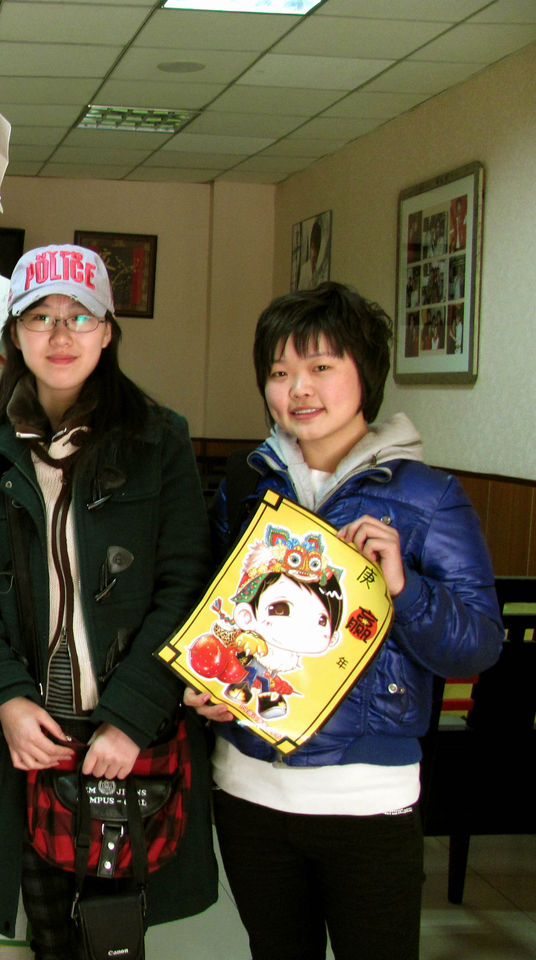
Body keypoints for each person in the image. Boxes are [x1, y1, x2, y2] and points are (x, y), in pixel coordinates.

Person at [196, 281, 503, 960]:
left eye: (320, 366)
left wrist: (404, 591)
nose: (298, 389)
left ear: (366, 374)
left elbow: (478, 646)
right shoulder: (248, 486)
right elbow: (217, 615)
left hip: (366, 798)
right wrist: (206, 682)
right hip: (246, 788)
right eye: (280, 372)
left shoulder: (428, 498)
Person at [0, 244, 217, 957]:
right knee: (50, 937)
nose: (61, 335)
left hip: (129, 737)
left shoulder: (159, 439)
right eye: (41, 316)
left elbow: (186, 586)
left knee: (114, 939)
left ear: (108, 331)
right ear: (15, 333)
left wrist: (131, 717)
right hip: (34, 739)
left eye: (80, 315)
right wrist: (5, 697)